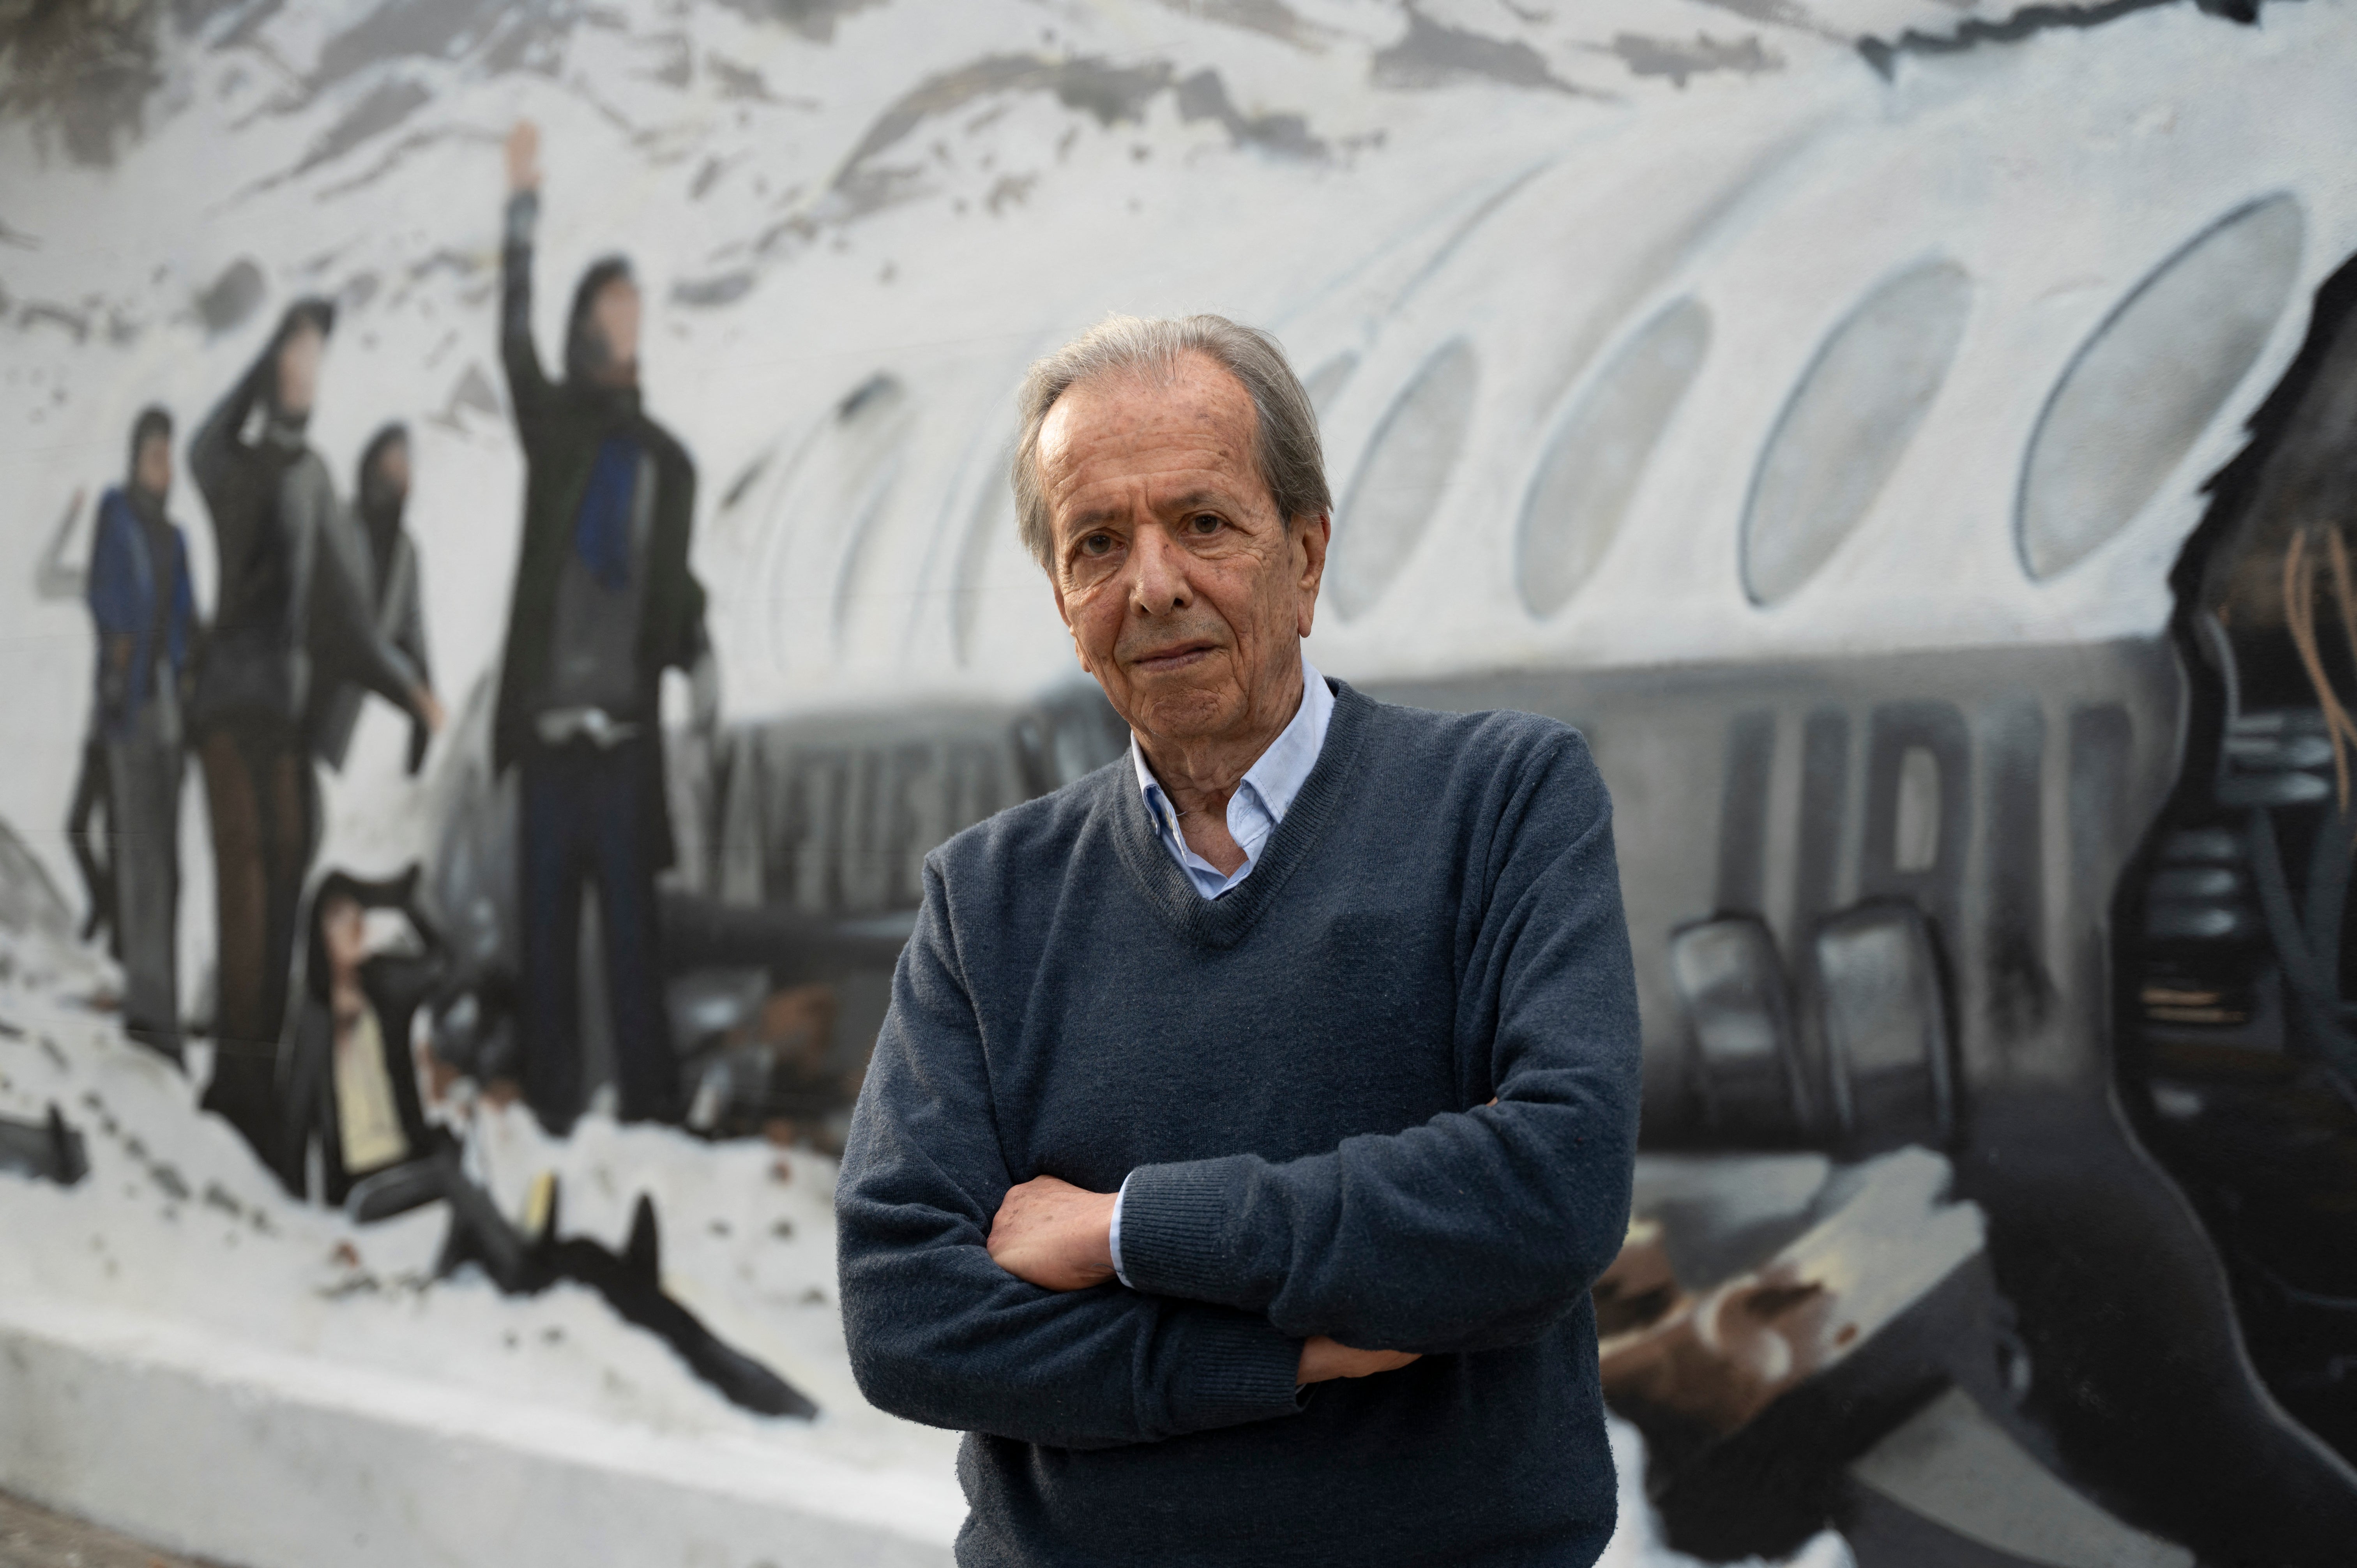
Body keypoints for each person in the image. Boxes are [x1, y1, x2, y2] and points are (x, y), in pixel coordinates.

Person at [834, 316, 1642, 1567]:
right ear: (1065, 600)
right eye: (1098, 543)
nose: (1153, 583)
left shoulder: (1504, 803)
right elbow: (907, 1314)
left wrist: (1126, 1229)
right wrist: (1283, 1355)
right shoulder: (986, 899)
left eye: (1204, 524)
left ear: (1307, 557)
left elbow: (1550, 1190)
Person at [492, 120, 716, 1134]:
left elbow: (670, 593)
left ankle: (654, 1124)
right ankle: (546, 1117)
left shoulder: (669, 465)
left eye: (634, 312)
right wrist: (521, 213)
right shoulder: (555, 432)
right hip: (549, 746)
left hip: (622, 748)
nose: (622, 326)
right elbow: (510, 345)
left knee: (634, 945)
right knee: (546, 947)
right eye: (608, 310)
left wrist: (701, 644)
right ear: (586, 325)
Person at [187, 300, 443, 1160]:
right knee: (246, 893)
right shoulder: (236, 463)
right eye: (295, 354)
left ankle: (263, 1099)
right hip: (229, 705)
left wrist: (413, 691)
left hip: (291, 724)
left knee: (288, 892)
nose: (307, 370)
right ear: (271, 365)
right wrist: (262, 360)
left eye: (315, 358)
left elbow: (352, 626)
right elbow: (200, 443)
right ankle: (235, 1084)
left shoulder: (315, 481)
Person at [84, 410, 196, 1059]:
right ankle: (148, 1011)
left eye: (169, 454)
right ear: (135, 458)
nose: (164, 465)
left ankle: (163, 1007)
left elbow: (186, 614)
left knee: (169, 865)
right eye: (155, 453)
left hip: (169, 714)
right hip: (129, 710)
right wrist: (120, 659)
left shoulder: (176, 537)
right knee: (141, 861)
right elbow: (107, 598)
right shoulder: (116, 516)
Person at [277, 867, 446, 1204]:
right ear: (319, 932)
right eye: (339, 915)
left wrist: (403, 904)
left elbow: (442, 964)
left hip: (413, 1161)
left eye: (358, 909)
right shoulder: (312, 1018)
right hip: (359, 1187)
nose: (353, 921)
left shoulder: (384, 981)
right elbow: (294, 1129)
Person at [309, 423, 435, 777]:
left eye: (405, 464)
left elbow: (413, 636)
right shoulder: (338, 527)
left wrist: (422, 719)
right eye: (392, 463)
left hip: (337, 732)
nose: (401, 474)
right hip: (298, 705)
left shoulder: (406, 554)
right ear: (371, 468)